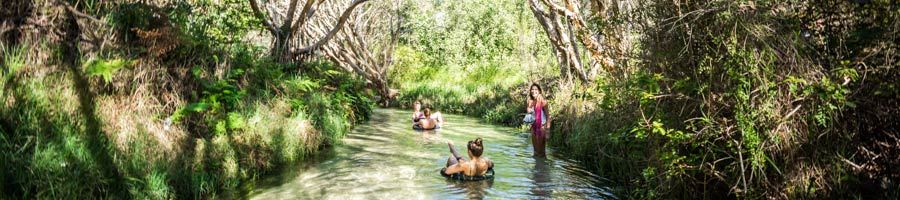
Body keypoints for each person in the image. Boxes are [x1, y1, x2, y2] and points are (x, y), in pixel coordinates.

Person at [527, 83, 551, 157]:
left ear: (539, 91)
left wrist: (547, 130)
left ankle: (543, 167)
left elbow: (548, 116)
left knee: (541, 152)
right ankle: (536, 168)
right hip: (533, 127)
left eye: (536, 89)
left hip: (542, 127)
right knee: (535, 152)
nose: (534, 91)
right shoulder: (530, 101)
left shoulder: (543, 102)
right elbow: (529, 113)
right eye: (532, 89)